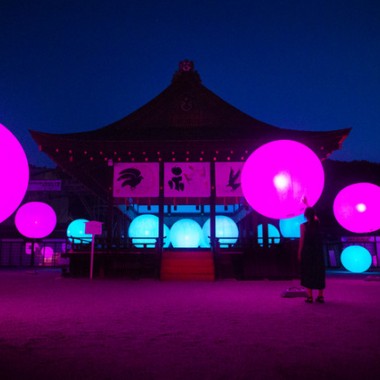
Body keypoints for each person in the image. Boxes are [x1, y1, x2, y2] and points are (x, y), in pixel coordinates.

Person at [298, 207, 326, 303]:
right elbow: (315, 217)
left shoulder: (303, 226)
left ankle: (310, 297)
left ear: (305, 215)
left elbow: (302, 240)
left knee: (308, 272)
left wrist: (299, 252)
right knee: (319, 272)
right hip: (318, 251)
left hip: (307, 251)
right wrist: (307, 204)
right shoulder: (318, 223)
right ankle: (320, 296)